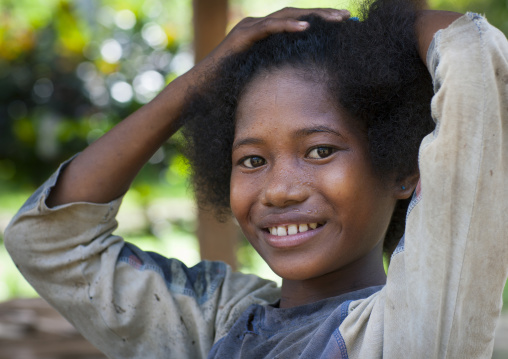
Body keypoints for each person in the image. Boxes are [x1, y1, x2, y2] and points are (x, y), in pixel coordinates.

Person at [4, 0, 508, 357]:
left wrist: (390, 36)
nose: (279, 188)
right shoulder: (215, 325)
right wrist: (203, 79)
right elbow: (49, 240)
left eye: (320, 150)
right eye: (251, 160)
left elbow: (474, 57)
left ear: (403, 168)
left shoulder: (414, 329)